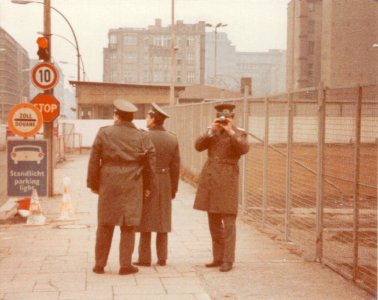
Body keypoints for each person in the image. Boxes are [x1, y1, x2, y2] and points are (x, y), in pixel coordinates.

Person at [87, 99, 156, 275]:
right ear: (132, 118)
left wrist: (94, 185)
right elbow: (150, 164)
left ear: (117, 115)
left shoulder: (104, 133)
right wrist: (148, 186)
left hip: (108, 182)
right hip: (132, 183)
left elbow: (94, 161)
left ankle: (99, 264)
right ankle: (125, 265)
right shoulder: (142, 136)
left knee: (105, 224)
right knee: (128, 225)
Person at [193, 103, 249, 272]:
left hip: (228, 179)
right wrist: (211, 130)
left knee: (229, 223)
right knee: (213, 221)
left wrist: (231, 131)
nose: (225, 121)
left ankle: (228, 260)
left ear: (232, 117)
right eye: (222, 118)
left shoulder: (239, 133)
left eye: (228, 118)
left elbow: (243, 149)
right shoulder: (212, 132)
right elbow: (198, 146)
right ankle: (217, 257)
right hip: (211, 178)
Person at [134, 103, 180, 267]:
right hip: (165, 180)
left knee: (145, 219)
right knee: (163, 220)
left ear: (153, 119)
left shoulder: (143, 137)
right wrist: (173, 189)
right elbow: (175, 166)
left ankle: (144, 258)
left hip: (147, 180)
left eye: (148, 116)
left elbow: (138, 162)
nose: (146, 119)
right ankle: (162, 258)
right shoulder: (172, 138)